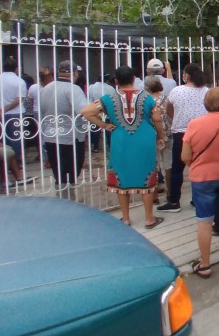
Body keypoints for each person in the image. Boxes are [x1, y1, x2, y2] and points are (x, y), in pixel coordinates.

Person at [81, 65, 165, 228]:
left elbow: (86, 111)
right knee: (147, 175)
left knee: (121, 176)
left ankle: (125, 218)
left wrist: (104, 125)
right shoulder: (146, 97)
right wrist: (160, 136)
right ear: (134, 79)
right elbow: (156, 118)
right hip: (144, 139)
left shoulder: (108, 98)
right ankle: (149, 218)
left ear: (117, 81)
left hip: (120, 139)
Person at [182, 88, 219, 278]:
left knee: (204, 221)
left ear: (205, 103)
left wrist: (195, 164)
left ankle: (205, 263)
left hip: (201, 178)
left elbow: (185, 156)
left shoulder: (194, 124)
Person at [158, 63, 208, 213]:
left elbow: (168, 108)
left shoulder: (177, 91)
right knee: (199, 167)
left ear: (187, 75)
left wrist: (177, 118)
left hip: (181, 132)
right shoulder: (207, 91)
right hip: (202, 133)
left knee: (177, 169)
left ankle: (174, 201)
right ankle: (197, 199)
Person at [39, 61, 88, 199]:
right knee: (71, 174)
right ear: (74, 73)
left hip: (50, 135)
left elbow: (42, 110)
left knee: (59, 174)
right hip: (69, 137)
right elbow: (83, 111)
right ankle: (70, 201)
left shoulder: (46, 88)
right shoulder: (73, 89)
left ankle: (62, 200)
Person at [0, 57, 28, 164]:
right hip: (16, 113)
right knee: (17, 139)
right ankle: (17, 162)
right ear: (16, 68)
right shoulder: (19, 81)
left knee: (3, 138)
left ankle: (5, 163)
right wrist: (5, 109)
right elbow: (19, 99)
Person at [145, 75, 172, 203]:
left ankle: (154, 196)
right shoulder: (167, 99)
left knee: (153, 166)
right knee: (168, 164)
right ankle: (170, 193)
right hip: (166, 134)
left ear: (147, 88)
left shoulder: (146, 101)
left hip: (152, 136)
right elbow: (171, 115)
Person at [88, 73, 115, 153]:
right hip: (107, 110)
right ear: (107, 79)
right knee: (108, 128)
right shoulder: (110, 88)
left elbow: (89, 99)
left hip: (96, 109)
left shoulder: (92, 87)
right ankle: (110, 146)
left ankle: (95, 146)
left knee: (95, 128)